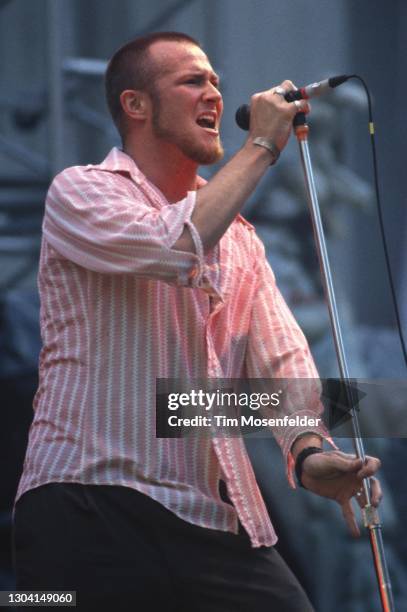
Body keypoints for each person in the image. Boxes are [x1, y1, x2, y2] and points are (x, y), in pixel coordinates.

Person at [13, 31, 382, 611]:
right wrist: (262, 144)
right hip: (87, 501)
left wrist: (310, 451)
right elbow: (172, 247)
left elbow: (281, 368)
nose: (214, 93)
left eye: (215, 81)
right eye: (192, 81)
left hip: (205, 517)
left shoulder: (241, 241)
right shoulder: (81, 192)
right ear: (136, 104)